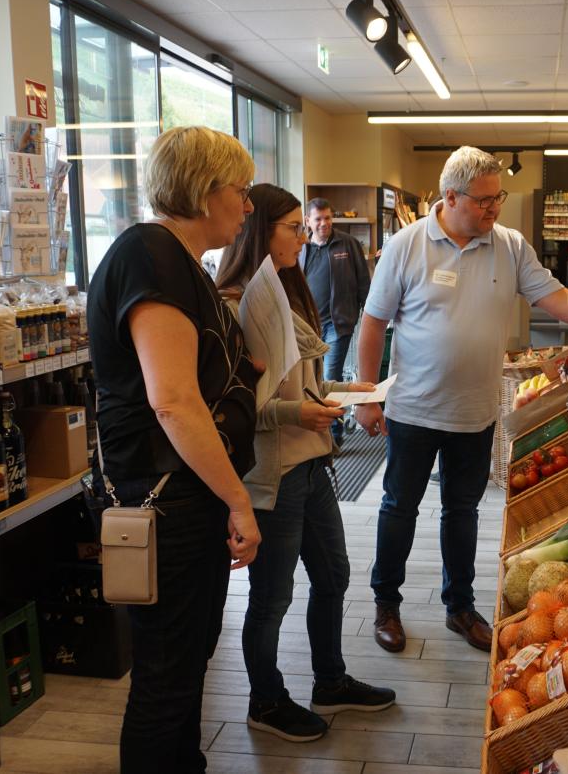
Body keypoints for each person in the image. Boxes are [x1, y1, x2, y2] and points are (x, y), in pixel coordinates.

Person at [355, 146, 568, 654]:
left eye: (497, 197)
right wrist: (366, 396)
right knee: (398, 509)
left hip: (476, 413)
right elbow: (372, 324)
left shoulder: (508, 245)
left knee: (462, 514)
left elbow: (562, 300)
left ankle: (460, 608)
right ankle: (385, 603)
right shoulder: (406, 246)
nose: (494, 208)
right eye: (483, 201)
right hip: (414, 409)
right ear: (450, 197)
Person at [86, 126, 262, 774]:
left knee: (185, 665)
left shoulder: (178, 262)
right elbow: (173, 402)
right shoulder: (151, 255)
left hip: (185, 500)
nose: (247, 207)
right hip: (169, 503)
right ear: (205, 190)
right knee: (167, 675)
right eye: (240, 191)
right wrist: (237, 500)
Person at [216, 184, 396, 744]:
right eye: (292, 226)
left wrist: (349, 389)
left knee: (334, 576)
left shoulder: (288, 291)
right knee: (272, 597)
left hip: (314, 468)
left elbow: (306, 383)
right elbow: (235, 408)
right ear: (257, 231)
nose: (305, 234)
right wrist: (302, 411)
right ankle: (265, 701)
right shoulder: (233, 305)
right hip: (274, 477)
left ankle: (330, 680)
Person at [301, 198, 371, 446]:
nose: (324, 223)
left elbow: (364, 281)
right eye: (318, 219)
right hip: (307, 327)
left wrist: (367, 314)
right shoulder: (302, 248)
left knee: (330, 375)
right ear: (307, 221)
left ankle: (333, 436)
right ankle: (317, 431)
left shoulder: (347, 244)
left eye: (328, 218)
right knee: (310, 380)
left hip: (338, 323)